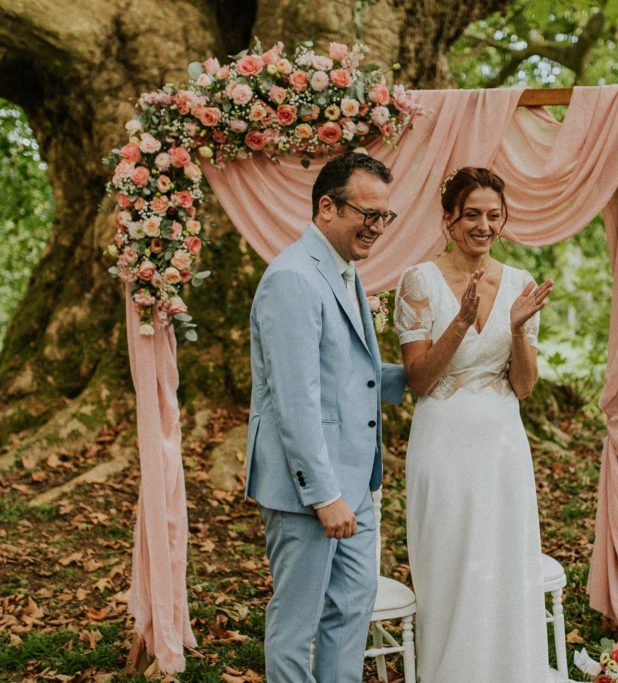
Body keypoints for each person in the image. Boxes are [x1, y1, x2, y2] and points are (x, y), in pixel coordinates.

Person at [246, 151, 407, 683]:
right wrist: (324, 494)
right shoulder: (292, 277)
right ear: (327, 207)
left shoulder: (343, 272)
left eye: (385, 216)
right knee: (297, 623)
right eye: (368, 214)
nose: (377, 227)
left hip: (356, 484)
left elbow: (351, 375)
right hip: (310, 492)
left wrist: (430, 369)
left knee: (351, 609)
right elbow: (296, 399)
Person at [394, 167, 554, 681]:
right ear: (448, 221)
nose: (483, 225)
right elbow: (419, 380)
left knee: (504, 562)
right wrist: (461, 321)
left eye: (493, 215)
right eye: (471, 215)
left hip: (503, 444)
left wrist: (520, 331)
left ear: (503, 221)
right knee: (451, 564)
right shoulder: (418, 281)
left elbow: (524, 386)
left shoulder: (521, 285)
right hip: (442, 444)